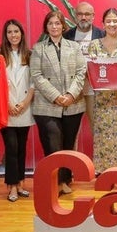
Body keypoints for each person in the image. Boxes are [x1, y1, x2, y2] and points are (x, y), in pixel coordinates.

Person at [30, 10, 87, 195]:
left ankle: (65, 180)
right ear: (46, 27)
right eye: (50, 23)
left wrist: (70, 94)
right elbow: (37, 76)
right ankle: (54, 181)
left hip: (73, 104)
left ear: (63, 26)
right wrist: (56, 96)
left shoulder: (74, 47)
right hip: (47, 105)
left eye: (57, 23)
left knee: (68, 145)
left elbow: (81, 72)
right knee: (53, 145)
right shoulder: (38, 48)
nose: (54, 27)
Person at [87, 8, 117, 174]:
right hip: (102, 100)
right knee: (103, 137)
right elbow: (89, 72)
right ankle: (104, 172)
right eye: (108, 21)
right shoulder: (94, 45)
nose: (112, 24)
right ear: (103, 24)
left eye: (115, 21)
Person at [0, 19, 35, 202]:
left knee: (21, 148)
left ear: (22, 34)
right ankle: (11, 186)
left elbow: (33, 83)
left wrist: (25, 103)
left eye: (16, 31)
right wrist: (7, 104)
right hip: (5, 109)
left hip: (24, 108)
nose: (13, 35)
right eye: (9, 32)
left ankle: (20, 182)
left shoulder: (30, 55)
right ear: (5, 36)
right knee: (11, 148)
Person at [64, 2, 105, 145]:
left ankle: (100, 165)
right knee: (71, 132)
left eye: (87, 14)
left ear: (93, 16)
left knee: (97, 128)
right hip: (73, 89)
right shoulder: (66, 36)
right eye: (80, 14)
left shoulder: (102, 35)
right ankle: (71, 166)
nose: (83, 17)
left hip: (93, 89)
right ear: (76, 16)